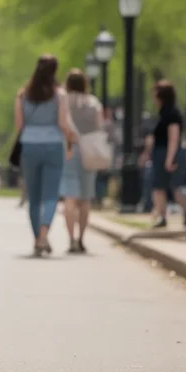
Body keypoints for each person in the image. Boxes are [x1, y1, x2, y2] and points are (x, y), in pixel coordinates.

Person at [14, 55, 77, 257]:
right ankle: (43, 235)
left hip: (30, 146)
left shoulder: (23, 95)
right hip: (52, 146)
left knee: (33, 198)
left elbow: (19, 125)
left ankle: (36, 240)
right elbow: (62, 123)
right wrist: (71, 138)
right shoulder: (59, 95)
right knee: (51, 195)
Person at [59, 69, 104, 253]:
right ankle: (82, 238)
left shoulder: (63, 101)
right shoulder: (94, 103)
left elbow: (60, 124)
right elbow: (99, 127)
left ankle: (70, 239)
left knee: (70, 197)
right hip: (88, 151)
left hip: (68, 149)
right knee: (85, 198)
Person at [140, 80, 186, 228]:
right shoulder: (162, 114)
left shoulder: (172, 114)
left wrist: (169, 159)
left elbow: (173, 138)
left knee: (175, 187)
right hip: (159, 153)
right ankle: (162, 216)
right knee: (158, 187)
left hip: (167, 153)